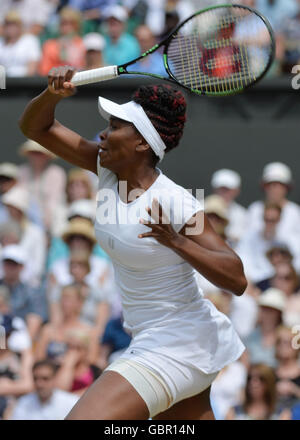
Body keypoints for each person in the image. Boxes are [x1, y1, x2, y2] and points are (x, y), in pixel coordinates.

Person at [19, 66, 247, 420]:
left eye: (114, 128)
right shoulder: (107, 169)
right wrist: (52, 95)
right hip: (161, 339)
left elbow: (236, 278)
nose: (103, 135)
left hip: (179, 343)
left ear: (142, 142)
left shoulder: (176, 202)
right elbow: (36, 128)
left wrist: (177, 242)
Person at [18, 139, 67, 232]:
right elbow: (19, 198)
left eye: (39, 153)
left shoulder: (56, 173)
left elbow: (54, 201)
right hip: (24, 219)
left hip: (51, 221)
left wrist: (47, 222)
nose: (36, 157)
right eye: (33, 153)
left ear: (47, 156)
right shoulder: (22, 172)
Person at [247, 162, 300, 242]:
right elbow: (247, 241)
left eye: (278, 185)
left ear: (287, 188)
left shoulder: (295, 212)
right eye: (270, 185)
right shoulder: (254, 209)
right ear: (264, 187)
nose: (274, 189)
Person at [10, 360, 79, 420]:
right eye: (36, 379)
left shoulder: (71, 402)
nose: (39, 384)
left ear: (54, 379)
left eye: (45, 379)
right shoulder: (24, 403)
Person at [244, 288, 286, 368]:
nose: (267, 314)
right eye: (264, 309)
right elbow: (245, 364)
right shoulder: (250, 337)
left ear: (279, 314)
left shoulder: (284, 337)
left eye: (271, 310)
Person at [39, 7, 86, 76]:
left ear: (77, 26)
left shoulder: (83, 45)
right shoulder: (49, 45)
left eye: (71, 24)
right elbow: (44, 70)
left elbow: (86, 68)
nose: (66, 27)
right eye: (63, 23)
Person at [210, 168, 248, 248]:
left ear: (236, 191)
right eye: (221, 189)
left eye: (227, 189)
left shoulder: (242, 214)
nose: (224, 193)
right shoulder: (199, 208)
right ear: (215, 189)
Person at [0, 10, 41, 77]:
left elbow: (32, 70)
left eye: (14, 24)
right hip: (2, 83)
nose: (11, 28)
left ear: (20, 26)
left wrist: (10, 72)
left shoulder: (30, 40)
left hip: (24, 83)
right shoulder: (0, 42)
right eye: (8, 24)